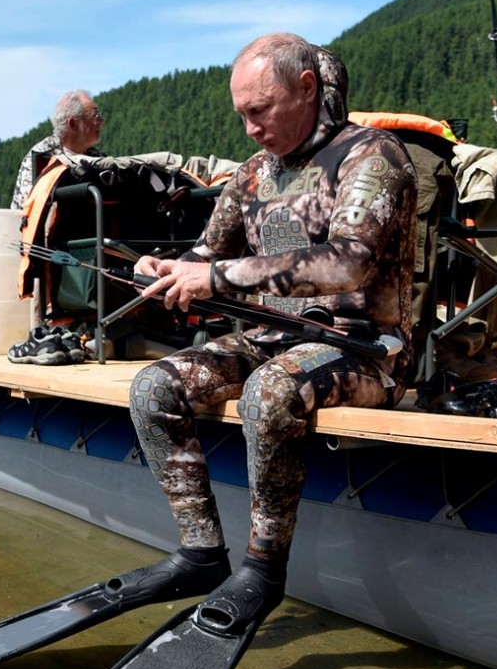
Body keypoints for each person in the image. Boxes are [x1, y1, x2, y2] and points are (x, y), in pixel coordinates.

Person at [122, 33, 419, 628]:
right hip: (271, 339)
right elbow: (208, 251)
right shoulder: (255, 173)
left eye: (260, 111)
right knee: (153, 387)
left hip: (363, 350)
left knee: (271, 392)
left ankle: (262, 569)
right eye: (242, 116)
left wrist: (217, 276)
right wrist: (164, 268)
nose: (251, 129)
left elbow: (347, 262)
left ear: (306, 89)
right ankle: (202, 553)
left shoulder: (372, 155)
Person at [10, 90, 106, 210]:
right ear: (72, 124)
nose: (101, 121)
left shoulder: (95, 156)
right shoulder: (41, 157)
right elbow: (28, 210)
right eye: (95, 116)